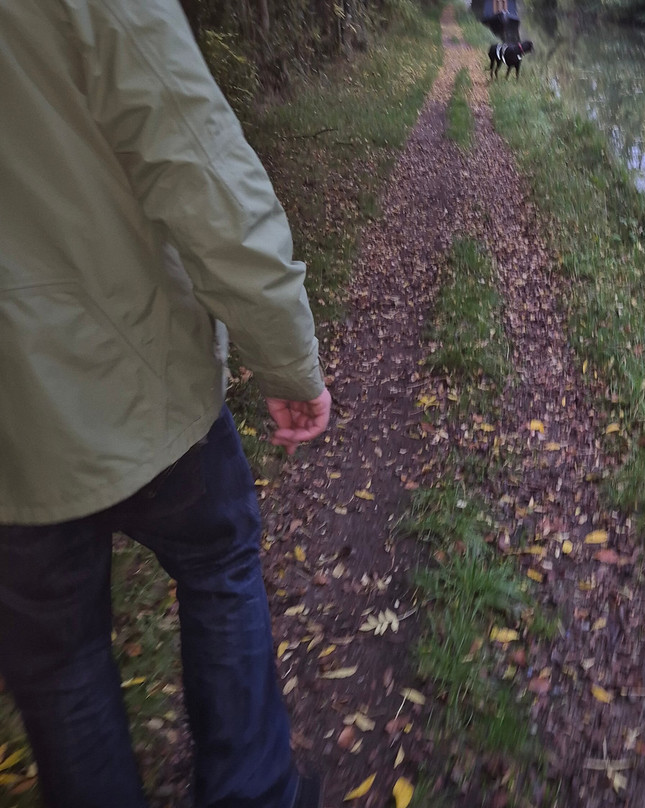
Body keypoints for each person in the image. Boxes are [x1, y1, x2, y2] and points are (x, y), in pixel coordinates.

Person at [0, 1, 330, 806]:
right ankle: (253, 793)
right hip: (137, 374)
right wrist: (287, 358)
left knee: (57, 660)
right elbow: (199, 166)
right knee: (218, 562)